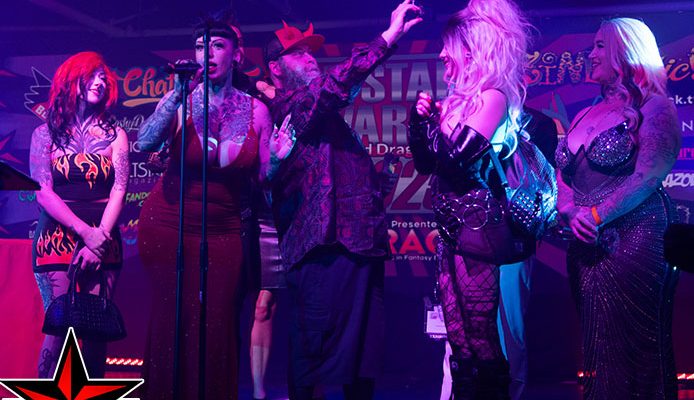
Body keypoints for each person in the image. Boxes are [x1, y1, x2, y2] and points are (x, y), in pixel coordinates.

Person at [260, 2, 422, 399]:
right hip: (324, 249)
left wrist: (374, 183)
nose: (309, 58)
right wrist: (389, 37)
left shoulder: (320, 113)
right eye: (297, 53)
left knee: (362, 359)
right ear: (275, 68)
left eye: (310, 51)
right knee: (315, 356)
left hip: (356, 245)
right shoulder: (289, 106)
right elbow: (337, 84)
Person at [136, 13, 289, 399]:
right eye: (201, 47)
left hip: (224, 228)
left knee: (218, 322)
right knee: (173, 319)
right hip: (169, 223)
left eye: (217, 46)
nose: (207, 54)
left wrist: (279, 159)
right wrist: (176, 95)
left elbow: (263, 178)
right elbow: (145, 143)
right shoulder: (183, 100)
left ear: (236, 55)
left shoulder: (256, 110)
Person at [408, 0, 533, 398]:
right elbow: (427, 164)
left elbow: (456, 159)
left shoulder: (493, 97)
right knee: (459, 342)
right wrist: (419, 123)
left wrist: (439, 123)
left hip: (478, 232)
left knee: (480, 339)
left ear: (471, 50)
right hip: (451, 233)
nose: (442, 55)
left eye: (449, 48)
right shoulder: (458, 102)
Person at [555, 17, 680, 399]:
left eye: (599, 46)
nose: (590, 54)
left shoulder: (656, 107)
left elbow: (649, 175)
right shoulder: (585, 113)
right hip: (585, 242)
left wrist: (596, 215)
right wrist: (570, 210)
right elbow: (564, 174)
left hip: (635, 236)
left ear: (625, 52)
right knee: (598, 342)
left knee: (636, 346)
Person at [30, 51, 128, 379]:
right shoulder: (44, 134)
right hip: (56, 239)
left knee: (97, 332)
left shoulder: (116, 135)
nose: (99, 82)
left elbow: (120, 189)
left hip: (105, 239)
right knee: (58, 328)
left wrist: (99, 241)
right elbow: (43, 192)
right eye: (91, 76)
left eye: (103, 77)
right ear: (71, 81)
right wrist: (86, 233)